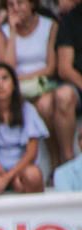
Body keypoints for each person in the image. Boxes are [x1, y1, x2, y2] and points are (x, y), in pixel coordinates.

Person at [0, 0, 65, 166]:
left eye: (20, 3)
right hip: (14, 89)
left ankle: (56, 158)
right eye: (10, 5)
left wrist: (19, 78)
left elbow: (51, 68)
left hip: (43, 84)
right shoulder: (2, 32)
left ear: (32, 4)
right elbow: (6, 69)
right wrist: (12, 31)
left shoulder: (50, 25)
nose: (15, 8)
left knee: (45, 105)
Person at [0, 62, 48, 194]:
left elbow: (31, 154)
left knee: (33, 175)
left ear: (13, 84)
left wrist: (8, 178)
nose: (0, 84)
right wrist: (4, 177)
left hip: (22, 170)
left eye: (5, 78)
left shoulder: (27, 110)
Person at [55, 0, 82, 167]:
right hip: (78, 86)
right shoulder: (71, 20)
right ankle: (68, 162)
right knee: (63, 96)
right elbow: (64, 68)